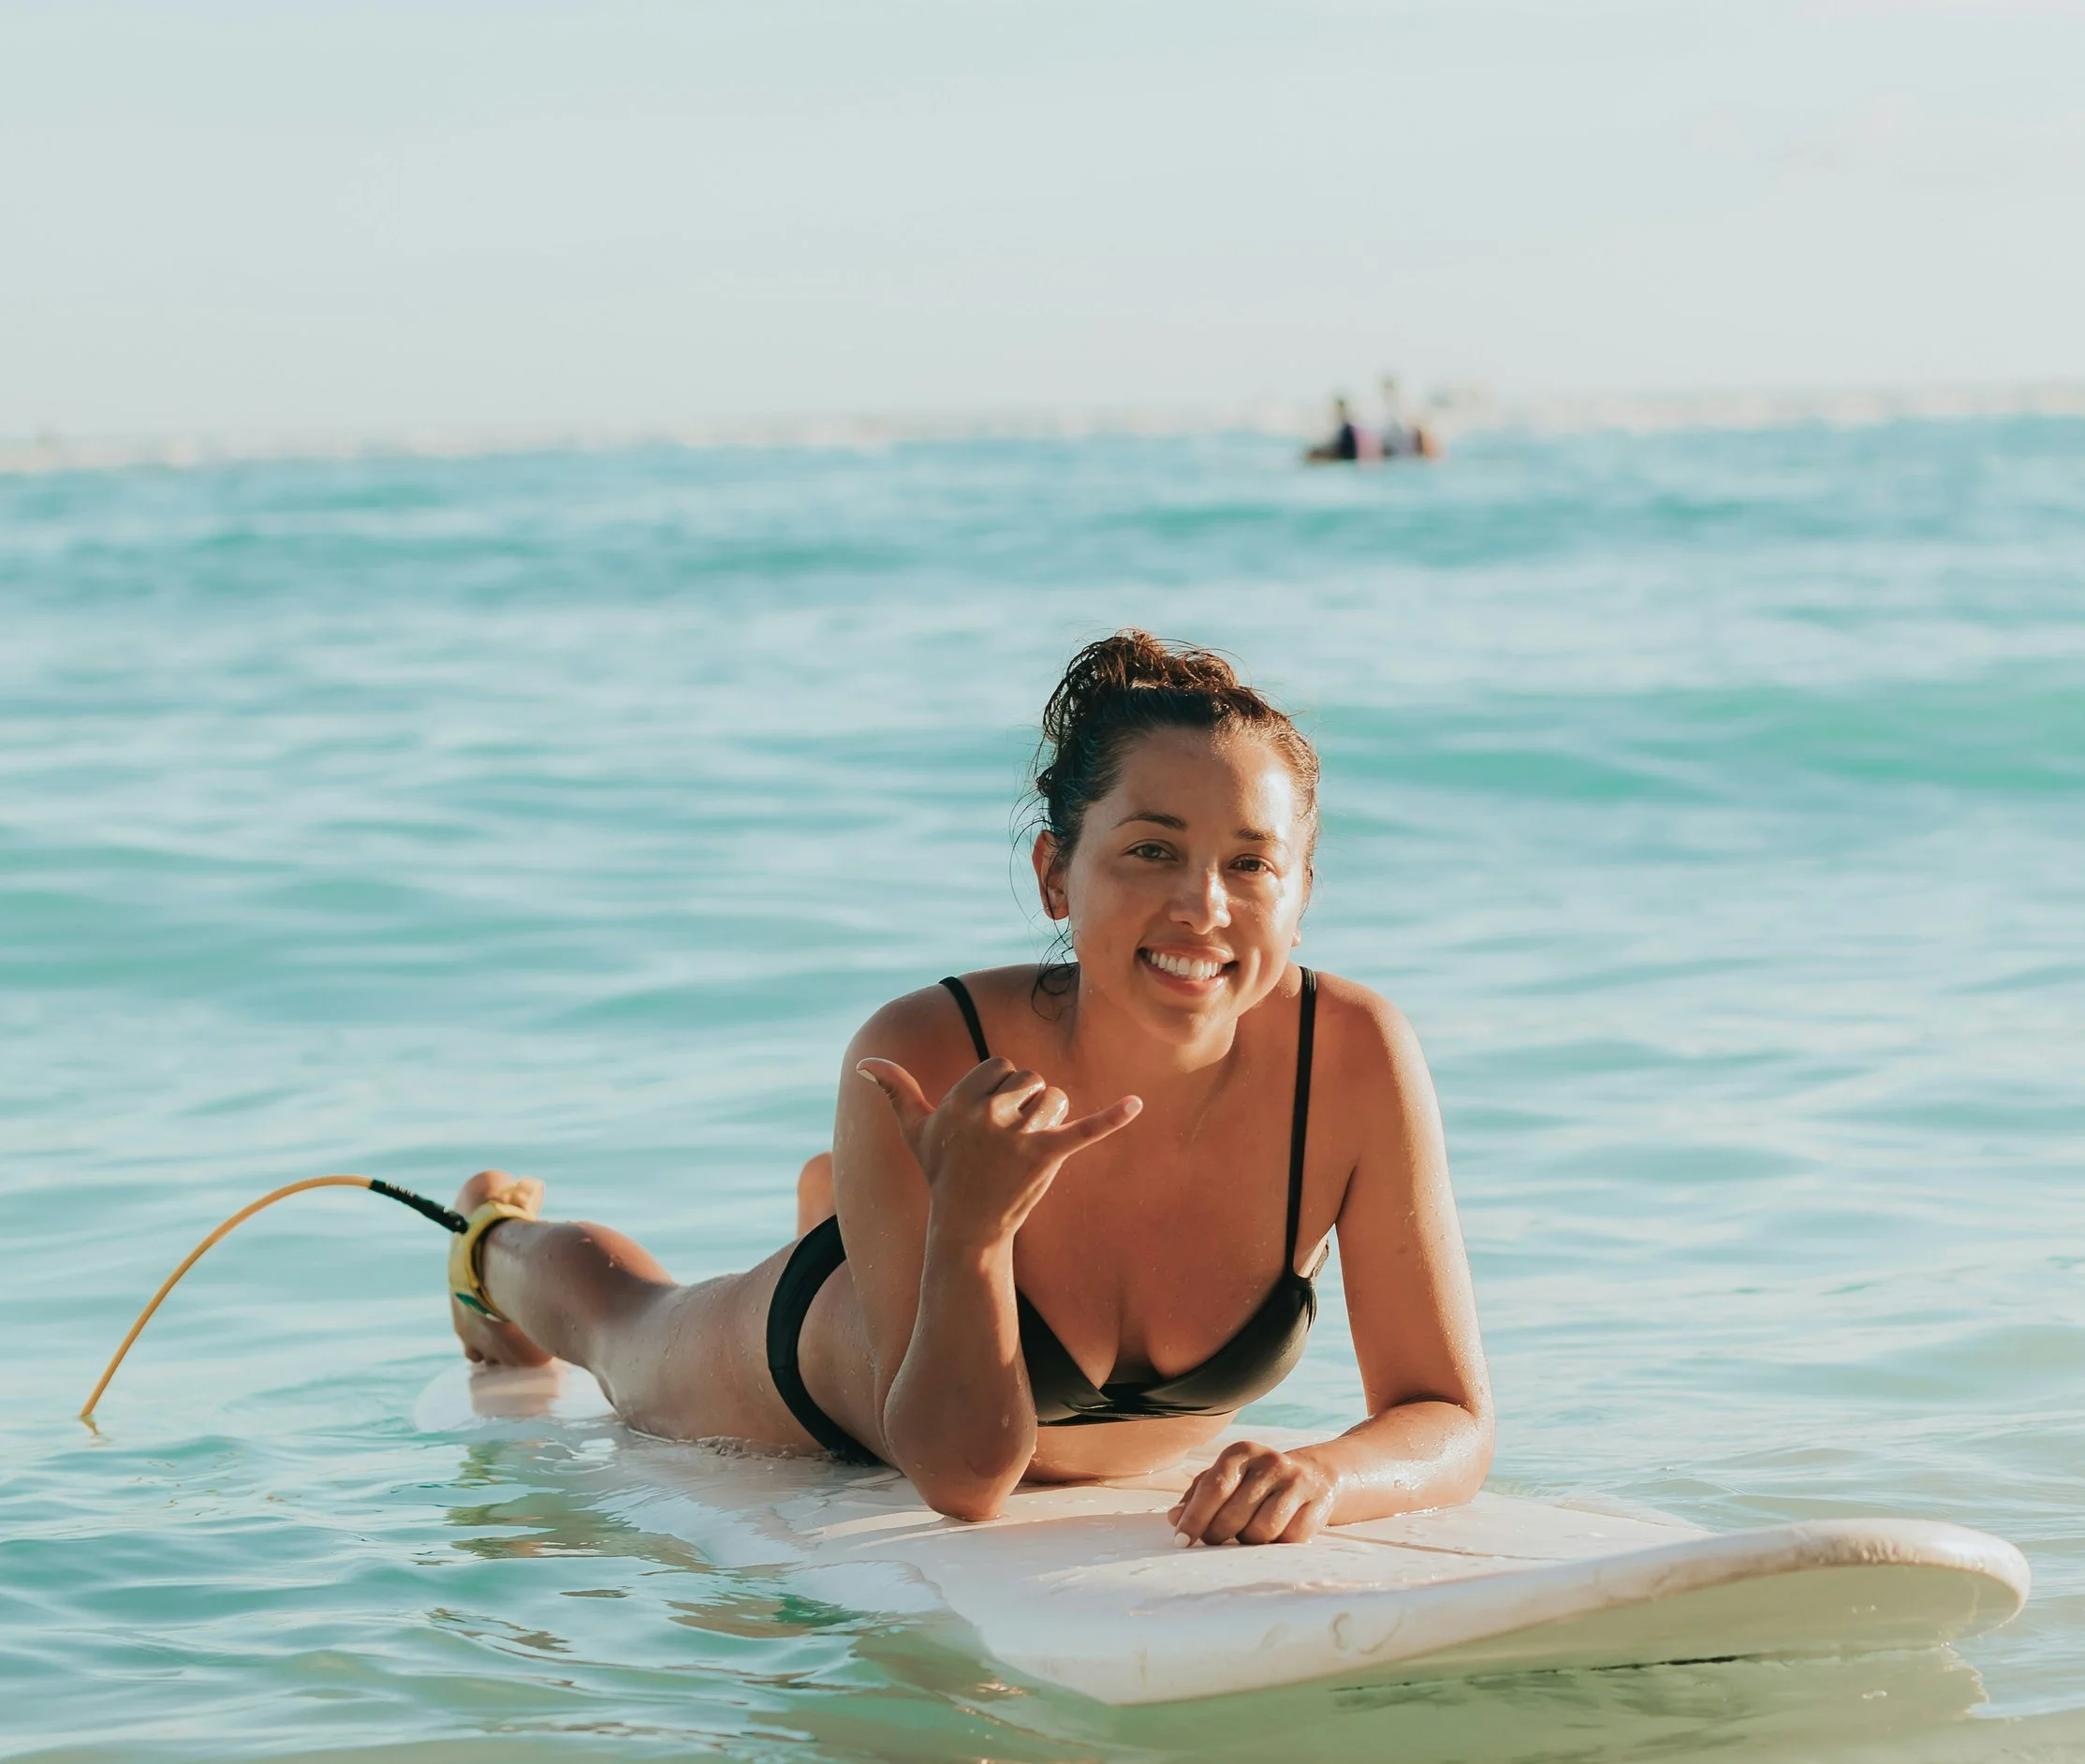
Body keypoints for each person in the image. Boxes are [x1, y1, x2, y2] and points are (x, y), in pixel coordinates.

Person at [447, 633, 1492, 1549]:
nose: (1200, 905)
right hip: (840, 1374)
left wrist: (1326, 1474)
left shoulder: (1352, 1055)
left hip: (931, 1296)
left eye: (1250, 864)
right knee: (624, 1328)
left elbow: (1445, 1411)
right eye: (1150, 850)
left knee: (796, 1256)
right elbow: (958, 1480)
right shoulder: (928, 1055)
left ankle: (850, 1202)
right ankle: (490, 1242)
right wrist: (971, 1233)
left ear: (1302, 893)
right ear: (1054, 875)